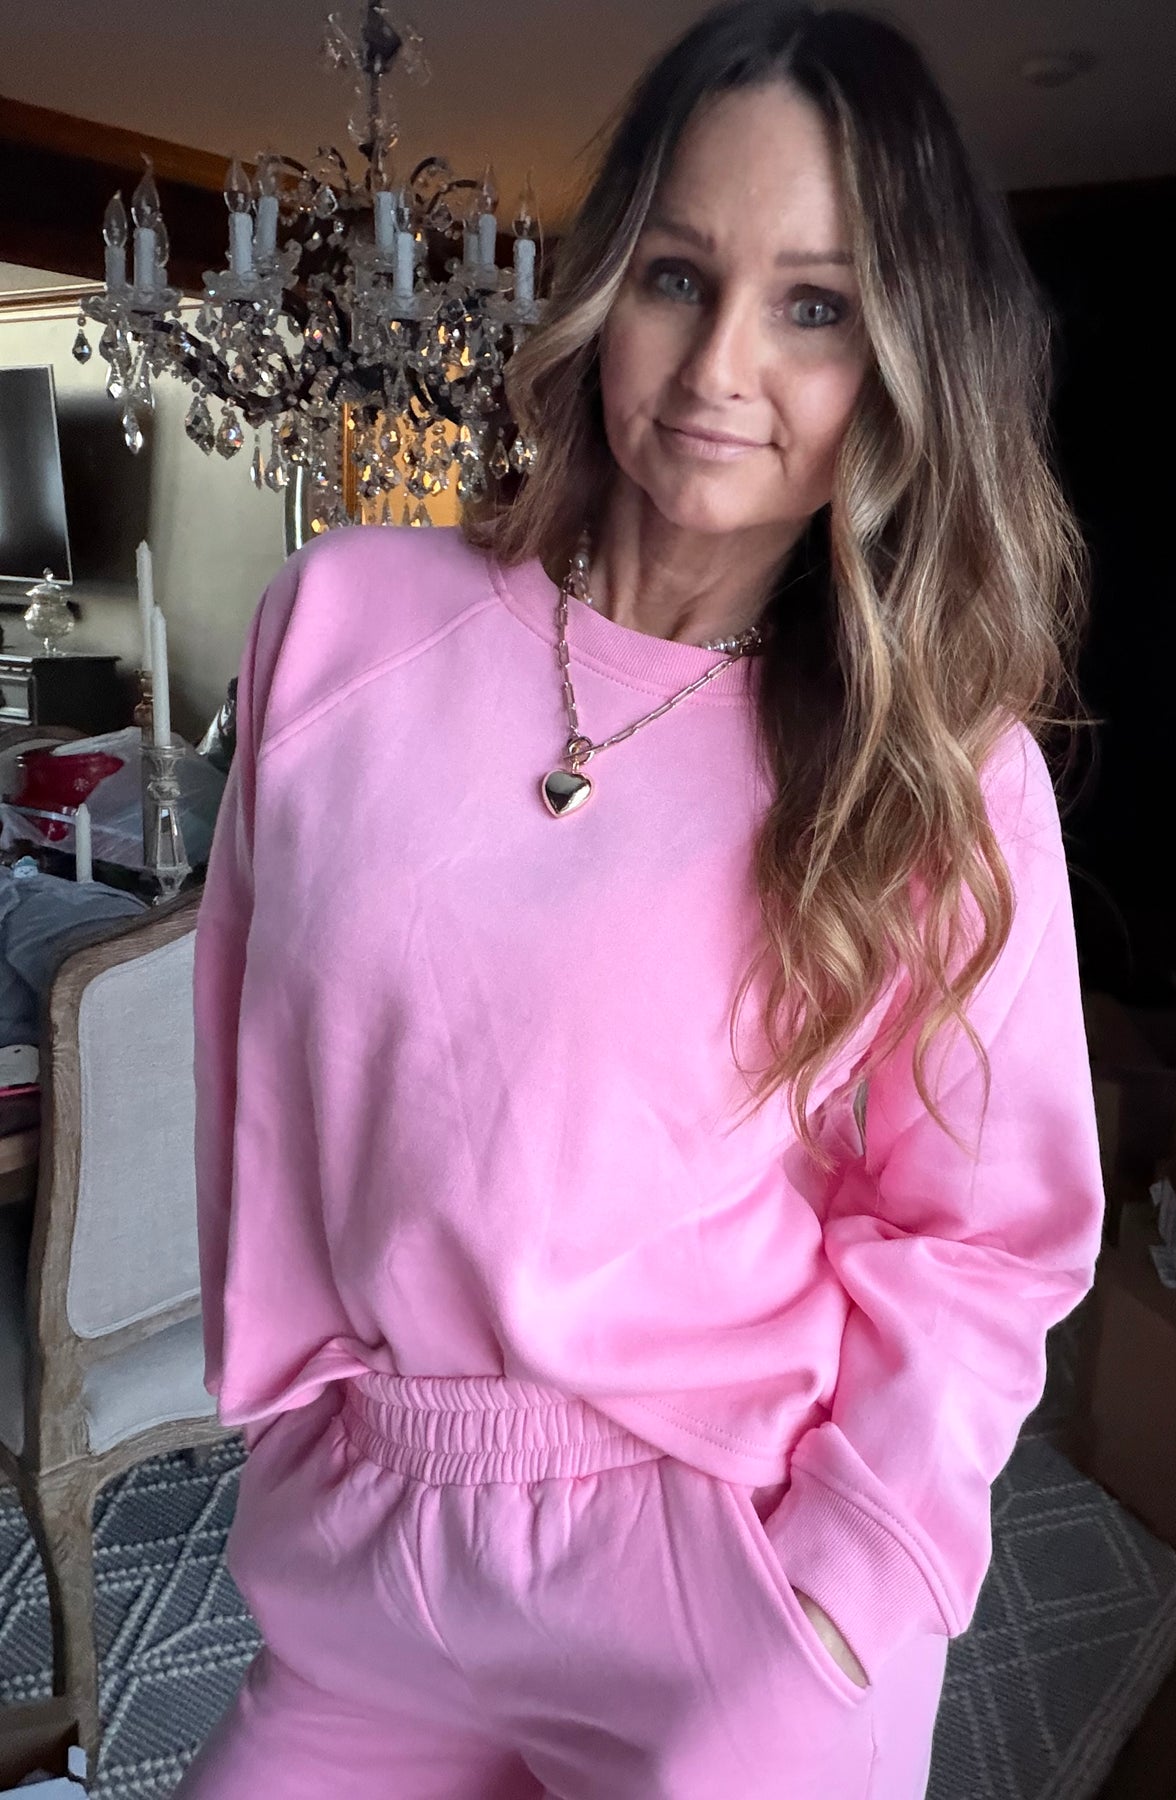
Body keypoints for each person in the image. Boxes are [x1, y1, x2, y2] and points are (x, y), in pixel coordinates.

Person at [175, 3, 1104, 1796]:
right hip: (372, 1536)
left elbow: (980, 1234)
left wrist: (844, 1587)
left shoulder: (935, 765)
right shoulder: (341, 625)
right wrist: (293, 1412)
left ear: (908, 356)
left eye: (815, 306)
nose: (717, 367)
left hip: (724, 1565)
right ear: (606, 285)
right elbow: (251, 1064)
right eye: (679, 276)